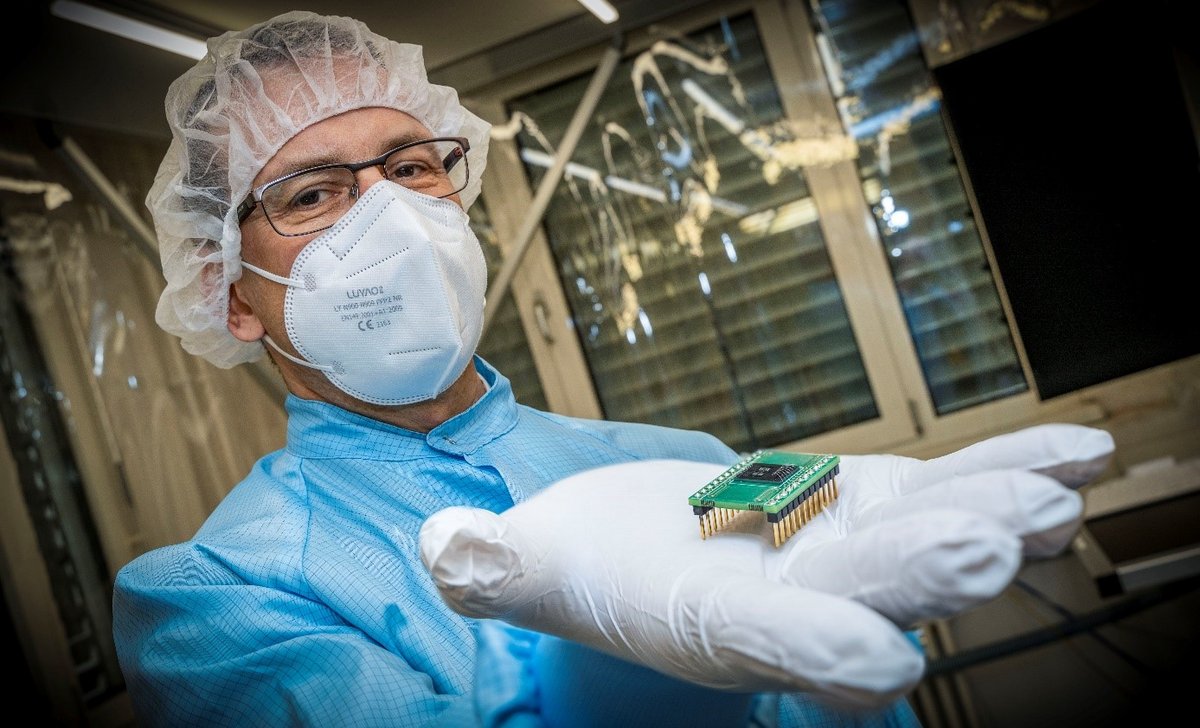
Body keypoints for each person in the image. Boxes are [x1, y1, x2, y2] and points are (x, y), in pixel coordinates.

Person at [112, 10, 1115, 728]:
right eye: (313, 194)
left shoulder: (686, 461)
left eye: (413, 167)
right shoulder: (213, 600)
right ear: (230, 293)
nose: (392, 217)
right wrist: (617, 684)